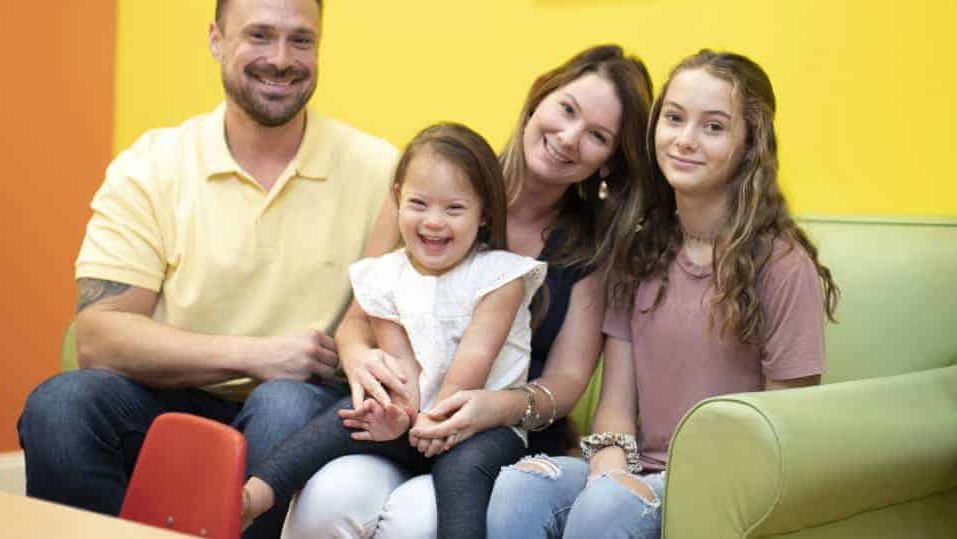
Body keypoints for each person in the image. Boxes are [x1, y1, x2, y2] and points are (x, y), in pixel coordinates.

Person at [16, 0, 398, 538]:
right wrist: (259, 354)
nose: (280, 59)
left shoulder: (378, 170)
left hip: (303, 407)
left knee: (285, 403)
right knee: (61, 406)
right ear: (217, 41)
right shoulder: (151, 166)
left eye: (301, 40)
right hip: (165, 398)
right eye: (259, 36)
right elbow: (98, 337)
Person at [281, 45, 656, 538]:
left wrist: (494, 407)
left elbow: (567, 378)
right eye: (566, 109)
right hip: (397, 417)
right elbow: (359, 317)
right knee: (330, 498)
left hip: (495, 440)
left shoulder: (590, 245)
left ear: (608, 162)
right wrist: (356, 358)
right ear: (539, 98)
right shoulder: (431, 182)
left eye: (596, 136)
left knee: (417, 520)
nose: (568, 138)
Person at [486, 50, 840, 538]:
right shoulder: (640, 251)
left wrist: (618, 493)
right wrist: (610, 469)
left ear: (749, 145)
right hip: (637, 472)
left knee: (607, 509)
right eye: (674, 119)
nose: (685, 140)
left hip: (724, 485)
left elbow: (782, 431)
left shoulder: (781, 266)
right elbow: (615, 404)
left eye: (713, 127)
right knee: (521, 487)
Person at [240, 122, 547, 538]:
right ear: (399, 199)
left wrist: (434, 423)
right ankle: (250, 499)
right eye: (419, 204)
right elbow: (399, 362)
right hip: (411, 421)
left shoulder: (500, 277)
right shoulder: (383, 277)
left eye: (454, 209)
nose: (434, 222)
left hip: (477, 427)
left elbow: (473, 362)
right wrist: (396, 416)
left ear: (484, 214)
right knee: (341, 419)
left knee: (462, 473)